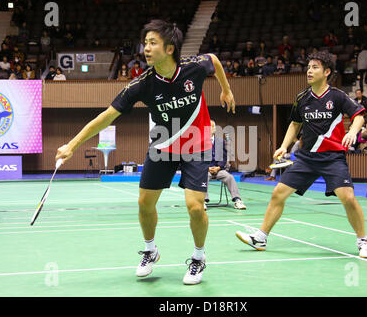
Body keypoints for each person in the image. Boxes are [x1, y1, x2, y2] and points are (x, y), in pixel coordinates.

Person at [55, 20, 236, 285]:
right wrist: (72, 145)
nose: (146, 49)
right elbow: (107, 117)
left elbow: (215, 60)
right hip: (162, 146)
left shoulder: (194, 68)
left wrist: (226, 89)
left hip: (196, 145)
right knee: (144, 203)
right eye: (146, 43)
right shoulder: (142, 84)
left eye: (153, 43)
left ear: (170, 48)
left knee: (195, 206)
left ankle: (199, 257)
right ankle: (150, 251)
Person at [235, 51, 367, 258]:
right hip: (306, 158)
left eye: (315, 67)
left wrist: (352, 132)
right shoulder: (302, 97)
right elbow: (295, 123)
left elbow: (359, 116)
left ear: (327, 72)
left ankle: (363, 241)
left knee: (348, 198)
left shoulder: (337, 96)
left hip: (332, 158)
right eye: (309, 67)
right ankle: (261, 237)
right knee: (278, 194)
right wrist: (284, 146)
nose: (309, 71)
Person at [205, 120, 246, 210]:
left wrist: (218, 167)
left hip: (219, 170)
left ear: (215, 129)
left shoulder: (220, 142)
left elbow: (224, 157)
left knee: (229, 177)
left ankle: (237, 200)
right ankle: (203, 201)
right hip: (206, 170)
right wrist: (207, 168)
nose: (210, 129)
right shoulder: (200, 142)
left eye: (212, 127)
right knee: (203, 177)